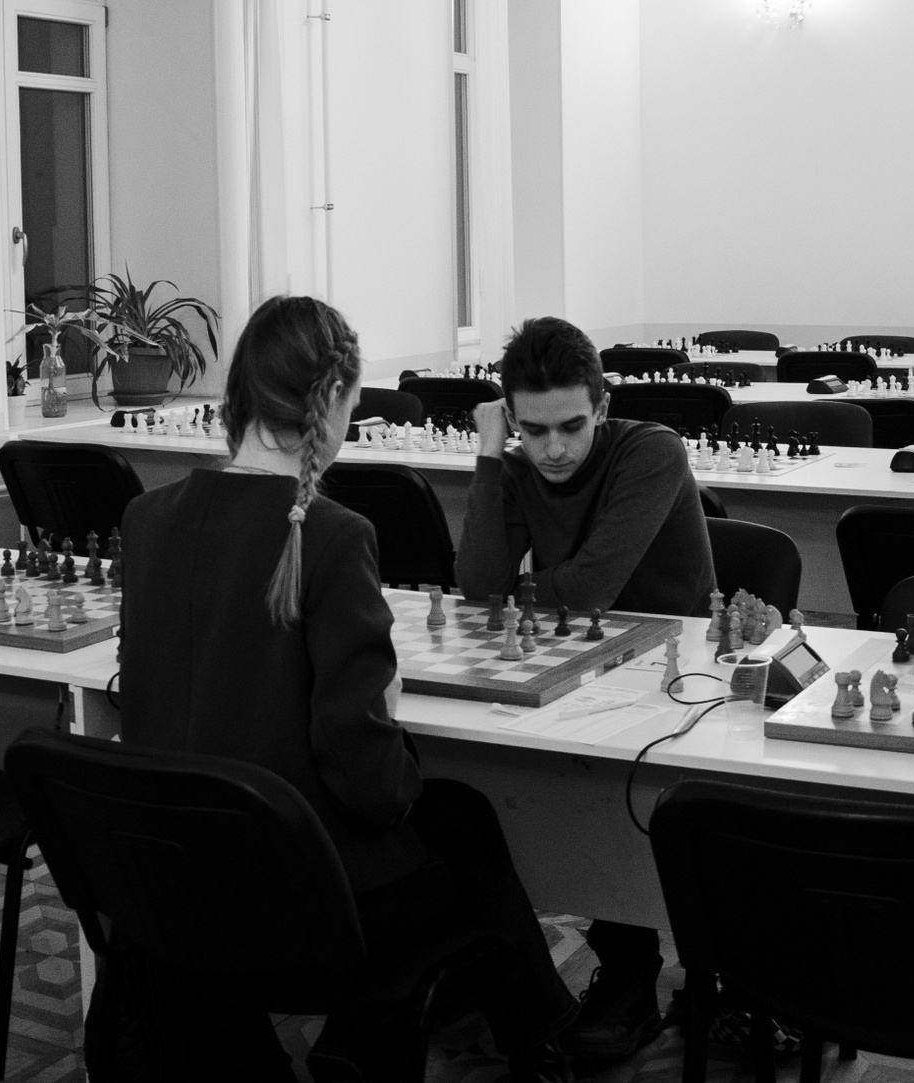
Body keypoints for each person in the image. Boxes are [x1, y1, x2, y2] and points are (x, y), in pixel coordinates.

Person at [118, 296, 578, 1081]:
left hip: (174, 881)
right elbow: (368, 783)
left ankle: (460, 1030)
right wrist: (388, 712)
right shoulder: (332, 534)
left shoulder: (146, 517)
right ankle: (473, 1034)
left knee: (460, 818)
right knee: (462, 836)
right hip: (300, 901)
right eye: (352, 404)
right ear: (330, 399)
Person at [455, 316, 715, 1063]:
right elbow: (477, 583)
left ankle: (647, 970)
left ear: (602, 407)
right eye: (532, 431)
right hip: (573, 657)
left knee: (616, 782)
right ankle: (586, 962)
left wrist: (524, 591)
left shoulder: (653, 449)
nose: (554, 449)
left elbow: (593, 584)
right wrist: (489, 457)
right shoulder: (516, 465)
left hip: (676, 670)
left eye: (571, 426)